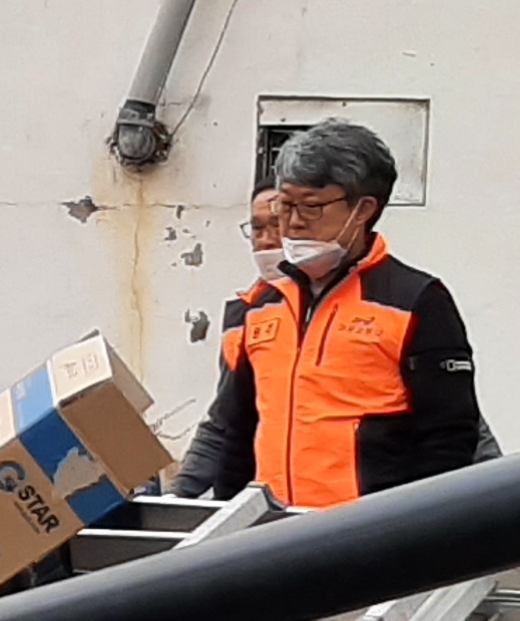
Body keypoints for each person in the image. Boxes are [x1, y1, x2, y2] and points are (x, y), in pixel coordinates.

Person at [213, 119, 481, 508]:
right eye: (284, 205)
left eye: (312, 207)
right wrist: (226, 520)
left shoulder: (415, 300)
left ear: (363, 209)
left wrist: (414, 530)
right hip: (270, 528)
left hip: (367, 530)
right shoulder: (263, 304)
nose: (294, 222)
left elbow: (449, 439)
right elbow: (237, 431)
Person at [169, 189, 291, 500]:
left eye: (276, 226)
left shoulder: (334, 310)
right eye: (257, 229)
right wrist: (176, 497)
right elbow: (224, 419)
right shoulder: (243, 316)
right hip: (246, 499)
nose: (266, 240)